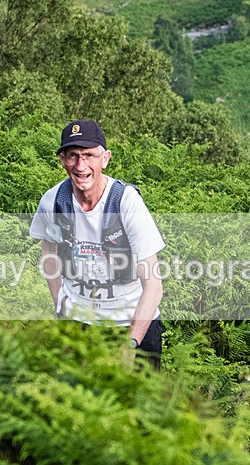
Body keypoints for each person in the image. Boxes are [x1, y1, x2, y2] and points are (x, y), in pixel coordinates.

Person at [29, 119, 165, 368]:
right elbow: (48, 252)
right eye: (73, 156)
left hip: (132, 323)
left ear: (105, 159)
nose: (81, 166)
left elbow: (154, 285)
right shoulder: (53, 201)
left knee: (139, 406)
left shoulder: (126, 203)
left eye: (89, 155)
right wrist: (60, 303)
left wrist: (130, 343)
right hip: (79, 325)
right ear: (62, 160)